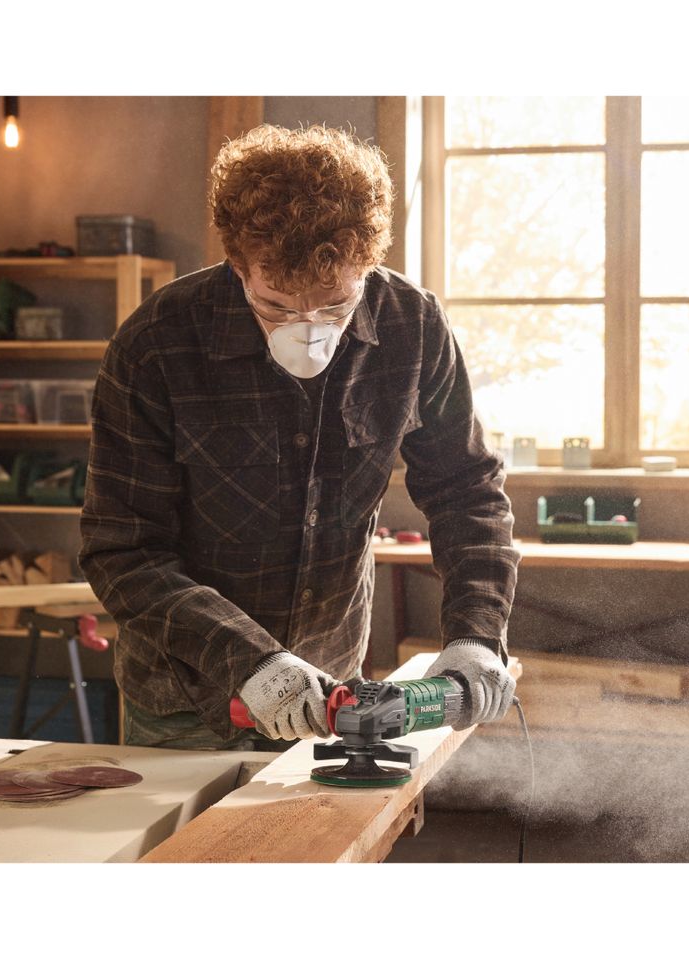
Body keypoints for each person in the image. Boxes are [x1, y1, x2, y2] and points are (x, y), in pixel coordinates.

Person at [79, 123, 519, 751]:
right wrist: (250, 661)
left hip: (334, 686)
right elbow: (122, 550)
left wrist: (476, 634)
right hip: (191, 698)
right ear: (239, 265)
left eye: (336, 305)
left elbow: (467, 491)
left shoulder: (412, 326)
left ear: (367, 263)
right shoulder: (157, 343)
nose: (309, 330)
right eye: (279, 307)